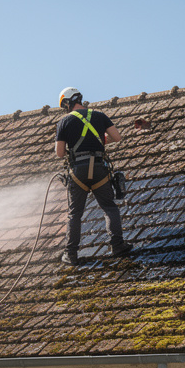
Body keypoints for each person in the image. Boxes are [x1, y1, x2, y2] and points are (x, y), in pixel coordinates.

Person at [54, 87, 132, 265]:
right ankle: (117, 245)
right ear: (79, 99)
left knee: (75, 214)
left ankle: (71, 254)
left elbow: (59, 153)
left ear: (66, 103)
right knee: (109, 207)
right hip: (99, 167)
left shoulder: (64, 121)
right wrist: (99, 141)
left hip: (78, 171)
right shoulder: (99, 115)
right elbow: (117, 137)